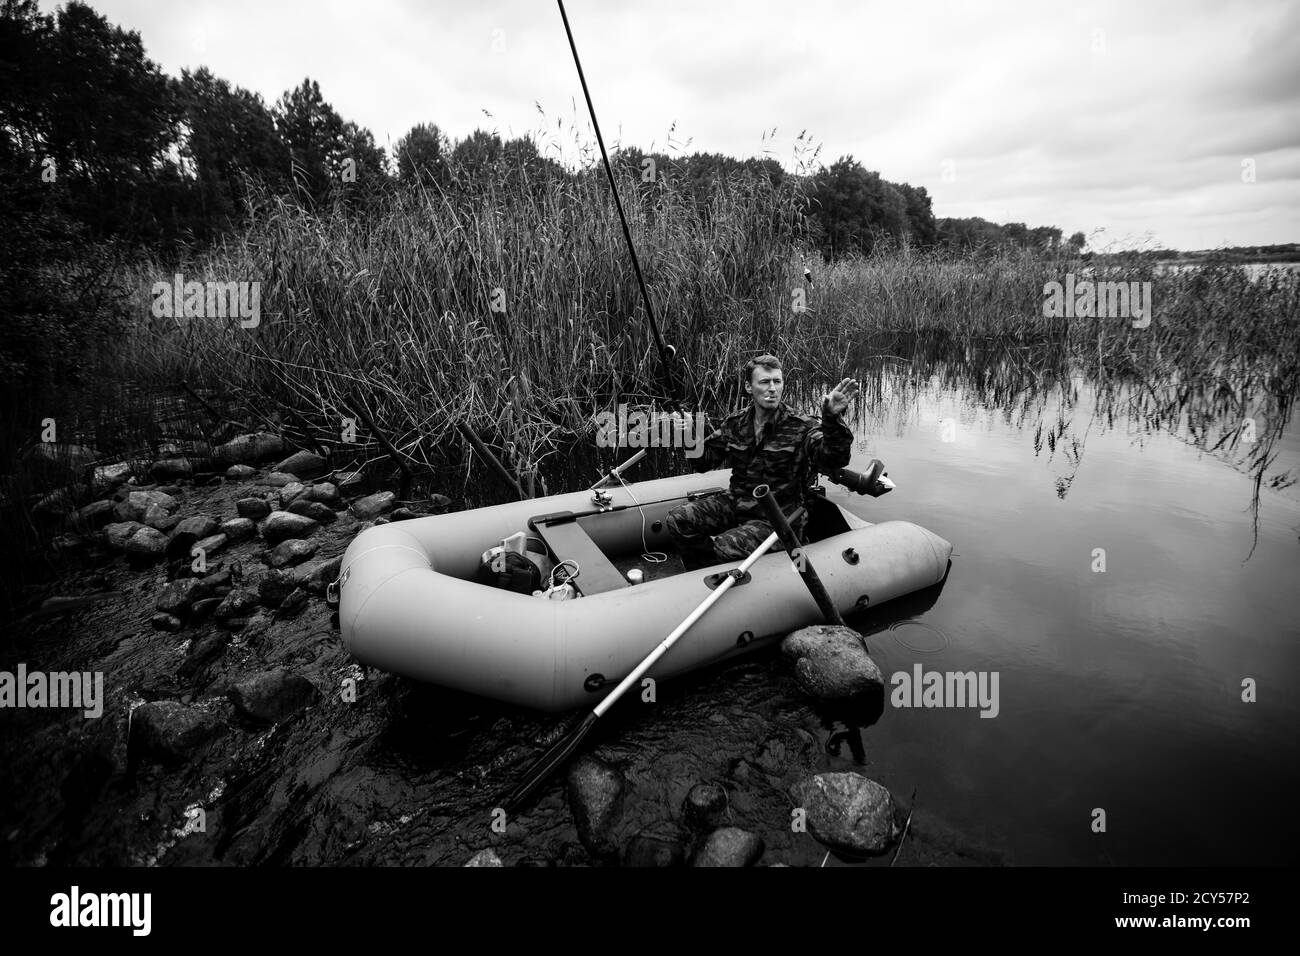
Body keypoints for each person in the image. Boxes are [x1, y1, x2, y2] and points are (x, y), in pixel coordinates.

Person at [666, 353, 859, 570]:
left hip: (780, 518)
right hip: (738, 502)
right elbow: (703, 463)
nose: (772, 388)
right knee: (678, 519)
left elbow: (835, 458)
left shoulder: (802, 425)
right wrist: (690, 435)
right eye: (765, 382)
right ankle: (702, 572)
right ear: (749, 387)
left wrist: (831, 419)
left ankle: (719, 567)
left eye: (777, 381)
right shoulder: (736, 423)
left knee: (724, 546)